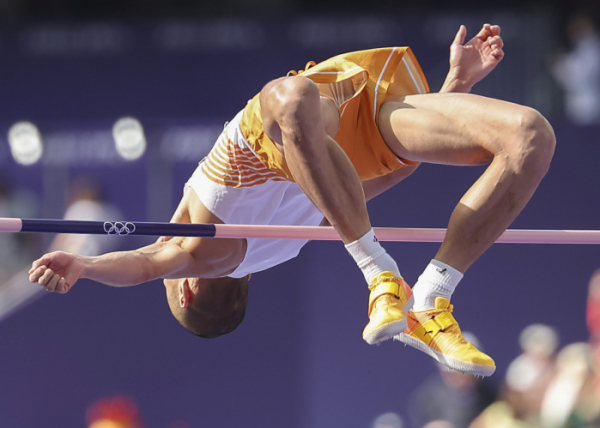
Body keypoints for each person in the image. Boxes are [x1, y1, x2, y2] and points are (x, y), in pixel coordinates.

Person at [28, 23, 556, 377]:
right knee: (289, 94)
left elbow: (376, 177)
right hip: (297, 123)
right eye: (170, 283)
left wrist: (454, 88)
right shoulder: (202, 254)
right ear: (187, 291)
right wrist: (85, 264)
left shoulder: (284, 243)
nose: (168, 268)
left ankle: (430, 297)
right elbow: (143, 264)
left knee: (529, 136)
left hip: (339, 129)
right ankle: (382, 276)